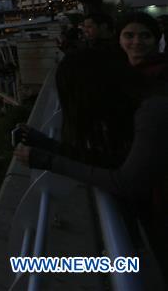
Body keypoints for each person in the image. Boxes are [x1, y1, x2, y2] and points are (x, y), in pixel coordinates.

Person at [13, 51, 168, 277]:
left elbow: (126, 182)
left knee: (26, 265)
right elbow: (116, 163)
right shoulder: (145, 105)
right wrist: (48, 145)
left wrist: (48, 161)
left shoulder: (153, 112)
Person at [118, 13, 167, 82]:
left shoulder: (162, 73)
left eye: (145, 36)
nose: (137, 42)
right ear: (119, 40)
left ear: (156, 40)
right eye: (129, 35)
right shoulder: (113, 70)